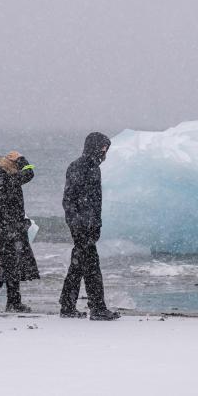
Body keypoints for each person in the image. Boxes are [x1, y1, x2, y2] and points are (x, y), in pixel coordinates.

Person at [59, 132, 120, 321]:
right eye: (103, 147)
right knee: (92, 267)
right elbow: (71, 199)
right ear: (94, 146)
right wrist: (81, 223)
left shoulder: (89, 166)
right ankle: (98, 308)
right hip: (82, 226)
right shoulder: (83, 166)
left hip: (86, 225)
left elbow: (91, 201)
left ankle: (67, 305)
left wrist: (94, 223)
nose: (105, 152)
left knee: (77, 266)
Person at [0, 151, 39, 313]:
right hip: (12, 228)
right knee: (7, 265)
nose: (16, 169)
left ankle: (10, 301)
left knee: (6, 264)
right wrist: (21, 159)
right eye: (14, 166)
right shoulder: (8, 179)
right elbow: (29, 172)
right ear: (8, 167)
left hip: (0, 228)